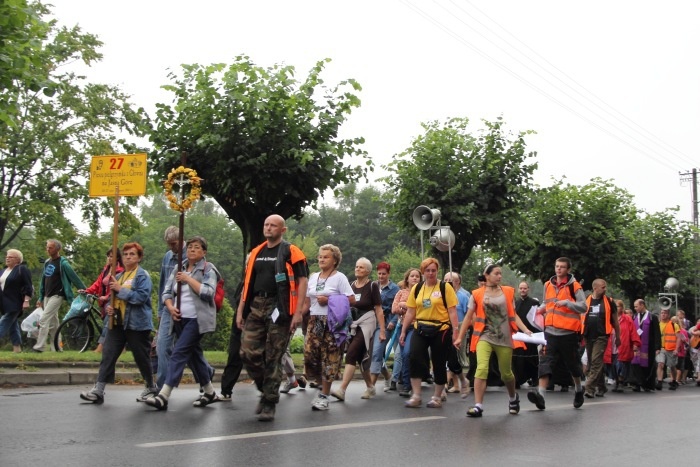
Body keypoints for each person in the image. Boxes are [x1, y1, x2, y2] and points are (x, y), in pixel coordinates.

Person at [237, 215, 309, 421]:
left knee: (273, 356)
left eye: (273, 225)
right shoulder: (256, 252)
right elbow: (247, 282)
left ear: (283, 230)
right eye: (266, 224)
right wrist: (241, 309)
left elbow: (302, 281)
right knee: (247, 352)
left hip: (281, 308)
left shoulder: (291, 252)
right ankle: (266, 388)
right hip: (256, 305)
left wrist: (298, 312)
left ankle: (269, 402)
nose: (268, 228)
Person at [145, 236, 220, 410]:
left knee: (179, 352)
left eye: (197, 247)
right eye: (190, 247)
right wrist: (171, 308)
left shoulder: (208, 269)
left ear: (204, 252)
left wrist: (188, 279)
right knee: (194, 356)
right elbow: (166, 293)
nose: (192, 250)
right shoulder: (179, 268)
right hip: (179, 319)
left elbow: (208, 292)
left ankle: (163, 395)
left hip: (197, 320)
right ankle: (209, 392)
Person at [80, 242, 156, 404]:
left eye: (132, 254)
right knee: (108, 354)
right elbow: (113, 300)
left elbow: (141, 298)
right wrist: (110, 308)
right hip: (118, 323)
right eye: (126, 254)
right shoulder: (119, 277)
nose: (128, 257)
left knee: (141, 357)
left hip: (137, 324)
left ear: (139, 258)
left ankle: (150, 386)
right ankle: (98, 390)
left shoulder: (142, 276)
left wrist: (119, 290)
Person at [455, 265, 533, 417]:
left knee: (506, 374)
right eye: (496, 273)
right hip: (485, 336)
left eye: (500, 274)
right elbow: (468, 317)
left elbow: (514, 315)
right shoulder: (477, 294)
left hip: (504, 338)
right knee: (482, 368)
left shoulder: (508, 292)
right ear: (487, 275)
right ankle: (478, 405)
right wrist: (459, 336)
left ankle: (512, 398)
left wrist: (525, 330)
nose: (499, 276)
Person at [527, 257, 587, 410]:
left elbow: (583, 307)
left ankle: (579, 390)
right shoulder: (548, 284)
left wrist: (567, 303)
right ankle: (540, 395)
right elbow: (547, 303)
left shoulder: (575, 286)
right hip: (550, 332)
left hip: (568, 333)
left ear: (568, 270)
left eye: (562, 267)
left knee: (572, 365)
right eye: (557, 266)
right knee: (545, 362)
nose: (558, 269)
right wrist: (540, 309)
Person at [399, 258, 459, 409]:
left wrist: (455, 331)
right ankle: (416, 395)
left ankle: (437, 397)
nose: (430, 273)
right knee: (414, 357)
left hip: (441, 328)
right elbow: (411, 311)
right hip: (420, 327)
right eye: (427, 270)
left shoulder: (445, 288)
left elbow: (452, 311)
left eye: (433, 270)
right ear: (423, 272)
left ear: (437, 271)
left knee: (438, 362)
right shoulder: (417, 288)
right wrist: (404, 330)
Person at [303, 244, 355, 411]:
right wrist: (295, 317)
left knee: (330, 357)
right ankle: (322, 384)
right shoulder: (313, 277)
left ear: (334, 260)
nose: (321, 259)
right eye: (320, 256)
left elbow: (351, 299)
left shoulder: (339, 278)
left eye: (326, 257)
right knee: (310, 354)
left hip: (332, 321)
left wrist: (329, 299)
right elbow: (306, 301)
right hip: (315, 320)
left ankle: (324, 395)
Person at [331, 257, 386, 401]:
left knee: (352, 352)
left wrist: (382, 331)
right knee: (361, 357)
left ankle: (342, 390)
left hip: (367, 323)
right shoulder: (351, 285)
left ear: (368, 271)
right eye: (356, 266)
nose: (357, 269)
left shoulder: (373, 286)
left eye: (361, 267)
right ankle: (371, 387)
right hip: (353, 324)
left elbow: (379, 309)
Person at [33, 239, 86, 352]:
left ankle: (40, 347)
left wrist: (85, 290)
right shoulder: (47, 262)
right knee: (54, 324)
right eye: (47, 247)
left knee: (43, 319)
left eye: (50, 248)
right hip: (47, 295)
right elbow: (43, 281)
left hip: (57, 295)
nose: (48, 249)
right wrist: (40, 297)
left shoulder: (63, 264)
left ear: (57, 249)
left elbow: (74, 278)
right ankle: (57, 348)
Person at [581, 279, 621, 398]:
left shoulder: (609, 301)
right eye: (603, 287)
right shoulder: (586, 300)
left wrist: (618, 337)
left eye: (605, 287)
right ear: (595, 288)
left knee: (595, 361)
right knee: (593, 363)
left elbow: (615, 322)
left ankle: (589, 388)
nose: (605, 289)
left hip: (602, 336)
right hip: (588, 336)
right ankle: (602, 386)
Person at [155, 226, 183, 391]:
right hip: (168, 306)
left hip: (185, 307)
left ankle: (206, 373)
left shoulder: (189, 255)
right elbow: (163, 284)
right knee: (162, 345)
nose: (171, 248)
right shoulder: (167, 257)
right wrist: (160, 309)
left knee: (189, 348)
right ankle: (162, 387)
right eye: (169, 244)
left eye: (173, 244)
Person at [80, 248, 124, 353]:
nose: (109, 258)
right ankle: (122, 349)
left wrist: (107, 296)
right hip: (103, 301)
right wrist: (87, 290)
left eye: (112, 256)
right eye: (108, 256)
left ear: (117, 257)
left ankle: (100, 348)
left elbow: (117, 286)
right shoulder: (106, 269)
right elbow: (98, 283)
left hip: (113, 300)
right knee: (113, 326)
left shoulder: (119, 270)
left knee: (107, 323)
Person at [369, 262, 399, 392]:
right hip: (371, 322)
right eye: (379, 273)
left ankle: (371, 386)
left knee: (377, 352)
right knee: (374, 353)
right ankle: (387, 375)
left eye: (384, 274)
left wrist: (393, 321)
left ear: (389, 274)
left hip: (386, 324)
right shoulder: (373, 286)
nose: (381, 276)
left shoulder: (395, 289)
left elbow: (398, 309)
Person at [392, 268, 422, 397]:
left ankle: (409, 383)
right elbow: (394, 308)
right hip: (403, 327)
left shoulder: (422, 292)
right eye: (412, 276)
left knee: (408, 353)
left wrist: (406, 305)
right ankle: (406, 384)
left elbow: (421, 309)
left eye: (417, 276)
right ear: (407, 279)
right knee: (404, 355)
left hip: (417, 327)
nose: (414, 278)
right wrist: (403, 305)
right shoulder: (401, 292)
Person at [0, 249, 33, 353]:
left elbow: (28, 286)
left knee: (3, 322)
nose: (7, 258)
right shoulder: (3, 271)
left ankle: (17, 347)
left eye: (11, 257)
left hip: (15, 302)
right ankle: (17, 347)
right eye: (7, 256)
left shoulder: (21, 269)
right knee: (13, 325)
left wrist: (26, 300)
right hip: (3, 303)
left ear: (18, 260)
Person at [444, 272, 470, 398]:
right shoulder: (441, 294)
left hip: (459, 327)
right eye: (445, 279)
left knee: (456, 356)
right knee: (449, 356)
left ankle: (448, 382)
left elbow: (468, 315)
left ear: (457, 282)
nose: (448, 282)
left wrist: (462, 330)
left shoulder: (464, 296)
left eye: (451, 280)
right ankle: (455, 384)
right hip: (443, 327)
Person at [608, 299, 640, 393]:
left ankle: (621, 382)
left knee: (620, 364)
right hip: (611, 345)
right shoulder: (610, 318)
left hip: (623, 345)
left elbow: (633, 331)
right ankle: (617, 381)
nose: (615, 308)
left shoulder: (627, 319)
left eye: (617, 306)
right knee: (613, 365)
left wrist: (635, 343)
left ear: (622, 308)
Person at [629, 299, 661, 392]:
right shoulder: (635, 316)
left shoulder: (652, 317)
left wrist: (657, 347)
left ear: (642, 305)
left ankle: (647, 384)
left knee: (647, 365)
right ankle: (637, 383)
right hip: (637, 345)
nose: (635, 308)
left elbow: (657, 333)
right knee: (635, 364)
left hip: (648, 346)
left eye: (636, 306)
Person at [513, 281, 540, 387]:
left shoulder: (534, 303)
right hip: (519, 335)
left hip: (530, 334)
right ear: (518, 289)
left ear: (528, 289)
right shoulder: (516, 303)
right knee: (518, 359)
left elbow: (537, 319)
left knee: (532, 358)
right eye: (521, 288)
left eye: (525, 288)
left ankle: (534, 378)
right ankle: (518, 380)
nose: (523, 290)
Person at [655, 308, 681, 390]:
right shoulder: (658, 324)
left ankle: (674, 380)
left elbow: (679, 338)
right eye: (662, 313)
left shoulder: (674, 325)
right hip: (661, 348)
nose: (663, 314)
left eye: (665, 313)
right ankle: (659, 382)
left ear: (668, 315)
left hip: (671, 349)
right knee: (660, 364)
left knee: (672, 366)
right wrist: (656, 348)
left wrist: (676, 349)